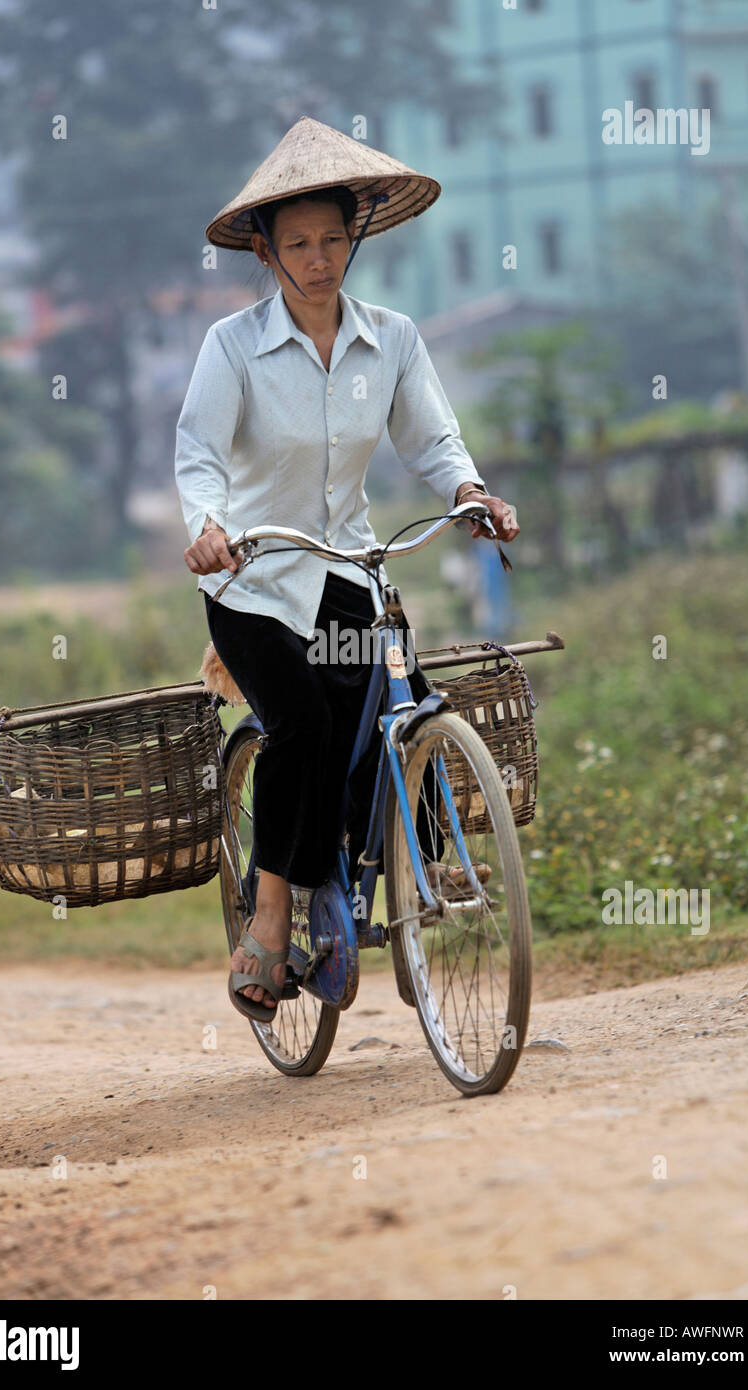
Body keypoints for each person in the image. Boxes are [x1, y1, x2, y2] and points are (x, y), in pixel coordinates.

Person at [175, 117, 519, 1021]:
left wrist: (472, 490)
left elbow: (431, 437)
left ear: (354, 237)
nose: (319, 258)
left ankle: (416, 868)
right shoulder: (232, 349)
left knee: (391, 706)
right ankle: (273, 916)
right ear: (267, 249)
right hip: (252, 582)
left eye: (332, 239)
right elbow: (199, 457)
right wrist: (209, 528)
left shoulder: (393, 340)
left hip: (344, 575)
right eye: (298, 244)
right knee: (302, 728)